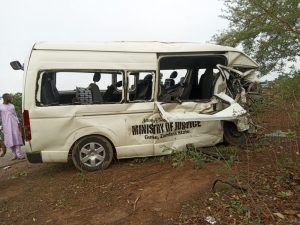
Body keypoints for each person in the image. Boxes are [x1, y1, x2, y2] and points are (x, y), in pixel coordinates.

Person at [0, 93, 24, 160]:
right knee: (10, 140)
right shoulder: (0, 106)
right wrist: (0, 126)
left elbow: (15, 115)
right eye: (9, 97)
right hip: (6, 126)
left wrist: (18, 123)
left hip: (14, 124)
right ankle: (14, 155)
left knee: (16, 138)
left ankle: (19, 154)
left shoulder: (12, 106)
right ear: (5, 98)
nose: (11, 98)